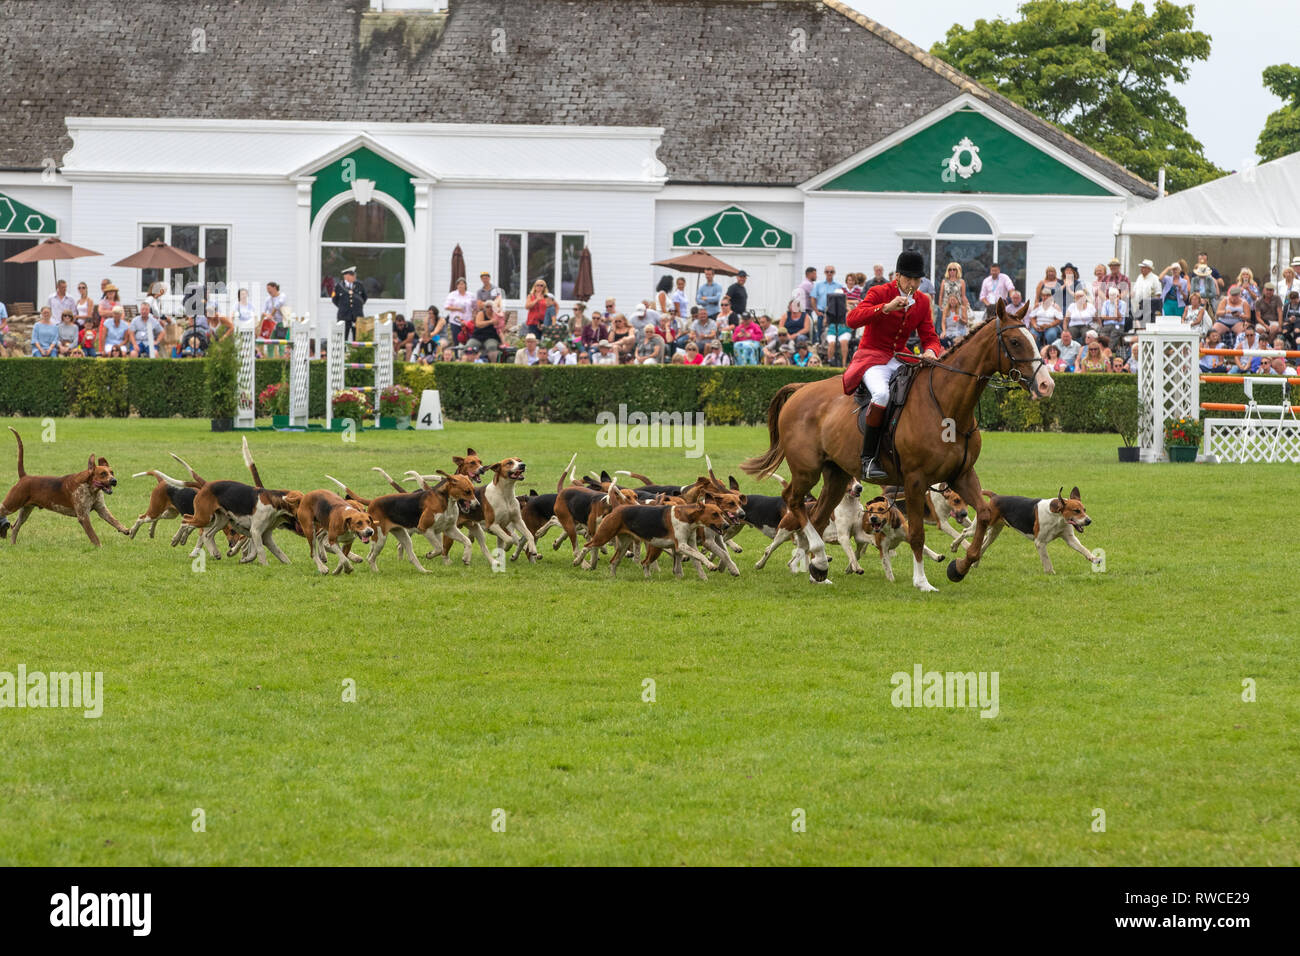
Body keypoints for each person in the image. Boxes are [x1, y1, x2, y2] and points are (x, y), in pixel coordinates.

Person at [845, 251, 942, 481]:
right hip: (872, 356)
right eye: (908, 279)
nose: (913, 284)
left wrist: (931, 350)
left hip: (900, 356)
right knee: (881, 394)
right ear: (897, 276)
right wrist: (885, 308)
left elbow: (930, 336)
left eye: (917, 280)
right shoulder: (880, 292)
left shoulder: (922, 301)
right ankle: (868, 459)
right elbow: (852, 319)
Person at [331, 267, 367, 341]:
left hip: (357, 315)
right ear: (346, 276)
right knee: (342, 338)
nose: (354, 276)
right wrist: (343, 307)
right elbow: (335, 299)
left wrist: (357, 307)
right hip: (344, 315)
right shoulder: (338, 286)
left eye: (354, 274)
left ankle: (356, 352)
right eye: (352, 275)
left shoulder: (359, 285)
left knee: (358, 338)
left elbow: (364, 297)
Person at [443, 277, 475, 344]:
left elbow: (475, 307)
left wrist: (473, 317)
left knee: (468, 340)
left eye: (462, 284)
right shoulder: (452, 294)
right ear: (457, 286)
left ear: (465, 285)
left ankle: (467, 353)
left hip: (468, 321)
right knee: (456, 340)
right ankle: (457, 354)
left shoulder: (471, 295)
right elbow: (446, 306)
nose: (461, 286)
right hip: (456, 322)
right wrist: (458, 309)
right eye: (459, 284)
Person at [1129, 259, 1160, 326]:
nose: (1141, 269)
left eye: (1143, 267)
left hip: (1150, 306)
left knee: (1148, 325)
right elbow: (1134, 290)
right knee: (1138, 321)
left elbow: (1158, 294)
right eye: (1141, 267)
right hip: (1139, 305)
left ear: (1149, 269)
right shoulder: (1139, 277)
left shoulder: (1155, 278)